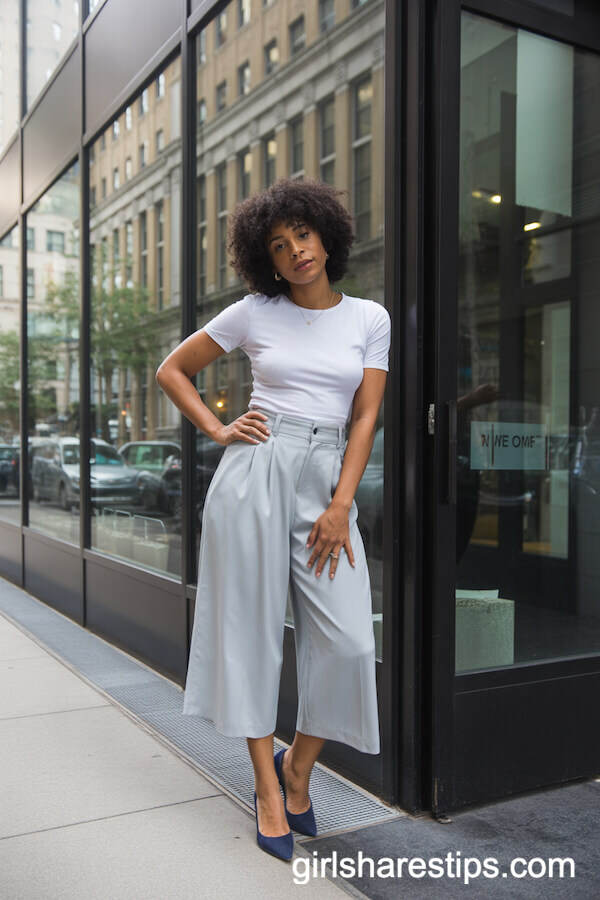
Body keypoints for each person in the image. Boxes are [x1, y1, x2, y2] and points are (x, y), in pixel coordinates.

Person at [156, 178, 391, 861]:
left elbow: (366, 414)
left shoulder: (368, 318)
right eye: (279, 246)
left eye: (304, 236)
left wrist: (342, 503)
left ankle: (299, 768)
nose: (296, 253)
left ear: (328, 234)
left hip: (328, 485)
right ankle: (266, 786)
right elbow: (174, 370)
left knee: (348, 641)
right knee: (249, 635)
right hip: (256, 472)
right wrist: (218, 429)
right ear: (268, 260)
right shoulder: (255, 312)